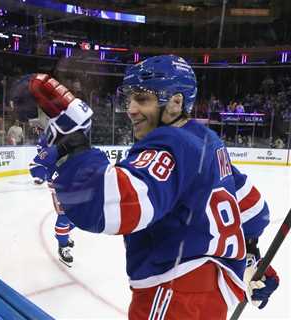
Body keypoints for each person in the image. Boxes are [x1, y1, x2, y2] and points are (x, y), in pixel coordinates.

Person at [28, 56, 279, 319]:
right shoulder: (209, 141)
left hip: (173, 296)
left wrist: (74, 145)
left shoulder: (170, 143)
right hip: (208, 300)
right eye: (130, 99)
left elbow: (112, 206)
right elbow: (253, 210)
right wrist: (252, 256)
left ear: (176, 102)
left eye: (143, 99)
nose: (131, 109)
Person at [29, 134, 75, 267]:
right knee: (64, 216)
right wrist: (43, 175)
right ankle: (63, 246)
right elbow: (34, 164)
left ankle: (63, 234)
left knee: (82, 215)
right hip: (59, 188)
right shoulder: (51, 150)